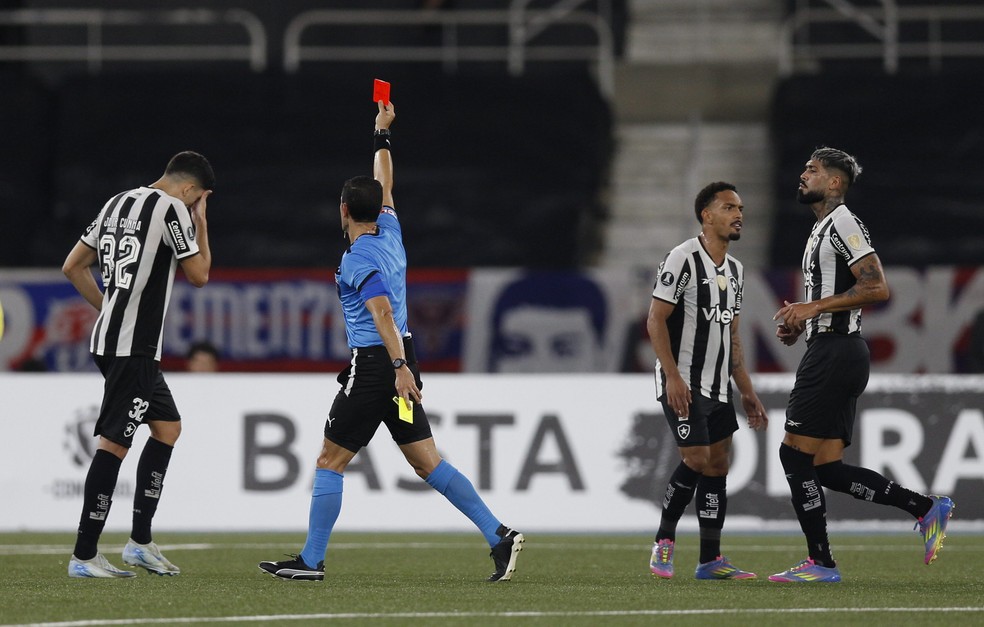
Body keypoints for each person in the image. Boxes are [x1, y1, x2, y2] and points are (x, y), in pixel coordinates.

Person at [259, 101, 524, 583]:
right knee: (427, 462)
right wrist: (382, 134)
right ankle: (499, 535)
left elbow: (379, 310)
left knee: (329, 460)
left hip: (380, 364)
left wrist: (398, 365)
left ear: (342, 210)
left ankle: (311, 562)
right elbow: (387, 183)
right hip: (402, 358)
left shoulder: (359, 258)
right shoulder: (392, 230)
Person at [769, 147, 954, 583]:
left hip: (836, 352)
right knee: (826, 468)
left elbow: (876, 286)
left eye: (812, 170)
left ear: (834, 183)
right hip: (836, 349)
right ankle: (926, 507)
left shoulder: (843, 222)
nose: (802, 175)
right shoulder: (821, 229)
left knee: (793, 457)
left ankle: (821, 563)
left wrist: (813, 308)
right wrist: (802, 323)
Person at [61, 151, 214, 578]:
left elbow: (73, 266)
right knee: (115, 444)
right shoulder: (172, 210)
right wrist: (201, 221)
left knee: (167, 428)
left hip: (116, 342)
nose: (193, 204)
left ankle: (140, 543)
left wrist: (109, 308)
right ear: (188, 190)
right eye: (195, 198)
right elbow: (200, 275)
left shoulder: (115, 203)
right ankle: (84, 554)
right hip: (133, 348)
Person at [646, 181, 768, 580]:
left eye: (741, 208)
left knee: (717, 467)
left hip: (719, 385)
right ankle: (663, 542)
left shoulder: (735, 271)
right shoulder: (682, 258)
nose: (739, 215)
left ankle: (711, 560)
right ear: (707, 214)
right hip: (684, 382)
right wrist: (672, 376)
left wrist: (747, 390)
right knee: (695, 460)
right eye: (729, 207)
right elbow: (655, 319)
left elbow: (731, 335)